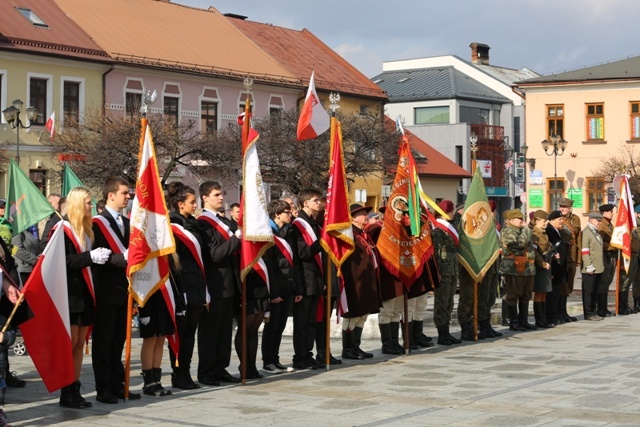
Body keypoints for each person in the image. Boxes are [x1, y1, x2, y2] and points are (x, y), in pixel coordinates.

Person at [57, 187, 111, 408]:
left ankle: (75, 387)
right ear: (78, 204)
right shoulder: (62, 229)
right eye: (88, 203)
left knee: (80, 343)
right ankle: (66, 391)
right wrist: (90, 257)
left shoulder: (87, 231)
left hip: (85, 294)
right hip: (70, 294)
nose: (91, 206)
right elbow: (63, 261)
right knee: (70, 344)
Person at [91, 177, 141, 404]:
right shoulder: (96, 224)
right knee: (104, 341)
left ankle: (118, 384)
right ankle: (103, 388)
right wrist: (123, 259)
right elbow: (96, 255)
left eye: (129, 192)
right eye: (124, 193)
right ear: (111, 195)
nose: (128, 196)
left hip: (124, 292)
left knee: (119, 340)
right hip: (105, 291)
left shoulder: (127, 223)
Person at [197, 181, 241, 385]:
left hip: (229, 283)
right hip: (214, 284)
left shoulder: (224, 221)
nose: (221, 198)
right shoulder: (204, 223)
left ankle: (220, 368)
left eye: (222, 194)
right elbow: (215, 254)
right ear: (205, 198)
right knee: (210, 331)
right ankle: (206, 371)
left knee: (224, 331)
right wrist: (237, 237)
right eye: (216, 195)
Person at [166, 182, 208, 389]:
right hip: (182, 285)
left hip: (197, 284)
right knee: (181, 333)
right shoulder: (172, 225)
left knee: (191, 333)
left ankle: (186, 372)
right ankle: (178, 373)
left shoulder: (194, 224)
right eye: (192, 202)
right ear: (180, 204)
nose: (195, 205)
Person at [262, 200, 301, 374]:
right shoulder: (268, 232)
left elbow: (294, 263)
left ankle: (275, 359)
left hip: (288, 286)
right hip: (275, 288)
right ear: (277, 214)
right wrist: (274, 293)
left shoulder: (287, 232)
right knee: (272, 326)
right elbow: (269, 266)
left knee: (280, 326)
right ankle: (267, 361)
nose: (290, 214)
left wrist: (297, 288)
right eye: (287, 211)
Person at [340, 204, 381, 360]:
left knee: (362, 315)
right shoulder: (349, 235)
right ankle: (348, 348)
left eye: (366, 213)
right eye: (363, 214)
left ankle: (356, 346)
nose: (366, 216)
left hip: (366, 281)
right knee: (352, 316)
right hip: (354, 281)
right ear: (353, 217)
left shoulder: (363, 235)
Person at [290, 189, 326, 369]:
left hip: (315, 280)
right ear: (305, 203)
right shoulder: (298, 225)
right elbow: (303, 253)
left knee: (312, 321)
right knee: (302, 322)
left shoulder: (313, 223)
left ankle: (308, 353)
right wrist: (322, 241)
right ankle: (300, 356)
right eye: (315, 200)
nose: (319, 203)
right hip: (304, 280)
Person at [366, 207, 405, 355]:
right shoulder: (377, 229)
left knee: (397, 311)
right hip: (387, 275)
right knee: (388, 310)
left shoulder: (403, 230)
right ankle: (387, 344)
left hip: (401, 275)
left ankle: (394, 342)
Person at [431, 200, 462, 345]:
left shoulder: (450, 226)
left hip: (452, 269)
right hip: (443, 270)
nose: (452, 213)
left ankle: (447, 331)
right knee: (441, 302)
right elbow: (436, 253)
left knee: (449, 302)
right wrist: (437, 272)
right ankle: (441, 333)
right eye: (450, 211)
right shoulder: (438, 229)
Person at [499, 209, 536, 332]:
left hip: (527, 268)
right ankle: (513, 321)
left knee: (526, 295)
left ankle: (523, 320)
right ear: (510, 220)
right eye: (519, 219)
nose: (522, 221)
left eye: (522, 218)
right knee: (513, 295)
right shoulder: (507, 231)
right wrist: (527, 230)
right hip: (513, 268)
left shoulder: (521, 231)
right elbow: (519, 245)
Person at [530, 210, 554, 328]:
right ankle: (539, 319)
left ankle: (543, 318)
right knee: (539, 293)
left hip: (547, 265)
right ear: (537, 220)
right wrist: (542, 264)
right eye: (544, 221)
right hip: (540, 266)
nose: (546, 223)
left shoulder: (544, 234)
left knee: (544, 292)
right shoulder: (534, 234)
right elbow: (535, 252)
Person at [558, 198, 580, 322]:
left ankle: (564, 311)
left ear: (570, 208)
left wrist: (578, 258)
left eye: (564, 207)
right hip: (563, 256)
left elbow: (577, 237)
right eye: (561, 206)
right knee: (561, 284)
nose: (562, 209)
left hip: (571, 255)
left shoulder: (575, 219)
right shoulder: (558, 219)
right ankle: (559, 311)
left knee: (569, 284)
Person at [545, 211, 568, 325]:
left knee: (558, 292)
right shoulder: (549, 231)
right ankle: (551, 315)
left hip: (560, 266)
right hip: (554, 266)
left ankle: (557, 314)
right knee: (552, 293)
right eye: (559, 219)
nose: (561, 221)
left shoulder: (557, 231)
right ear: (552, 220)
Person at [581, 212, 605, 320]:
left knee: (595, 290)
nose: (599, 223)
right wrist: (588, 265)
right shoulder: (586, 232)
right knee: (589, 291)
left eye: (600, 221)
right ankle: (588, 313)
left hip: (598, 267)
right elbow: (585, 250)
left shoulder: (596, 232)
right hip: (590, 268)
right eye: (598, 221)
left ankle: (593, 311)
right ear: (591, 220)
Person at [597, 204, 616, 317]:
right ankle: (601, 308)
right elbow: (600, 242)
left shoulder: (609, 225)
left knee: (607, 282)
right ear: (604, 213)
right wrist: (613, 246)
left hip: (611, 255)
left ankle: (604, 307)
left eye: (612, 211)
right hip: (605, 255)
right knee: (603, 282)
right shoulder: (602, 225)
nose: (612, 213)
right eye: (610, 212)